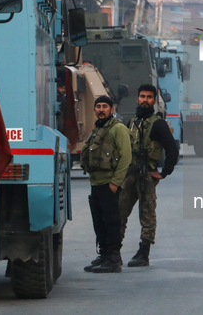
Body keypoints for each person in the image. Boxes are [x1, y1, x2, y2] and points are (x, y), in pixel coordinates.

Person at [120, 84, 179, 267]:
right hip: (129, 174)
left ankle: (143, 252)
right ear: (137, 98)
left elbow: (172, 149)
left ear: (154, 100)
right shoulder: (131, 123)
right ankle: (112, 251)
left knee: (147, 216)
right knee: (118, 213)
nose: (145, 100)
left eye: (149, 97)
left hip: (146, 176)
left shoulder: (158, 124)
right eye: (142, 96)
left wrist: (164, 172)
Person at [81, 95, 132, 273]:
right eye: (98, 107)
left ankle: (113, 258)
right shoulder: (98, 129)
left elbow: (126, 156)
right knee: (99, 222)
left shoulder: (118, 129)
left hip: (108, 182)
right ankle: (103, 255)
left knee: (111, 221)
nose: (101, 110)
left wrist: (115, 182)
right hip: (96, 182)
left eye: (105, 106)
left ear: (112, 109)